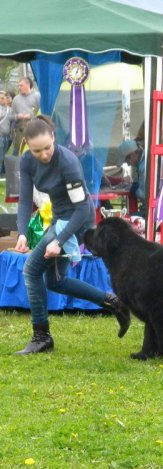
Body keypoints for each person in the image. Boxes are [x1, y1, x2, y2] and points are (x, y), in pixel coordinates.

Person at [14, 116, 130, 355]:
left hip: (78, 221)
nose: (44, 154)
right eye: (37, 150)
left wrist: (58, 241)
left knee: (31, 270)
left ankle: (41, 337)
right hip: (59, 218)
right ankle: (114, 303)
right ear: (27, 144)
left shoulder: (67, 162)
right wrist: (23, 233)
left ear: (54, 138)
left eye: (47, 148)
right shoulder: (26, 162)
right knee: (55, 281)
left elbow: (83, 209)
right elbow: (25, 200)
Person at [11, 76, 40, 154]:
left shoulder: (37, 96)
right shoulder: (16, 99)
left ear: (28, 84)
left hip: (34, 130)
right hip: (20, 131)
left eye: (21, 85)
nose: (19, 87)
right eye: (18, 86)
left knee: (33, 152)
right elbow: (11, 116)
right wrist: (17, 116)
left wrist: (31, 116)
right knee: (16, 152)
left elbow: (41, 113)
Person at [118, 139, 146, 216]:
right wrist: (133, 186)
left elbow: (143, 195)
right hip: (159, 205)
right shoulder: (145, 160)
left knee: (128, 221)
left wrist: (132, 189)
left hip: (158, 209)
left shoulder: (144, 167)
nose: (127, 164)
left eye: (127, 160)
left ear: (133, 154)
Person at [0, 90, 15, 175]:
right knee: (1, 156)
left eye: (2, 98)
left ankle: (2, 173)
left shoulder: (10, 110)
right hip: (1, 135)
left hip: (7, 137)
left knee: (4, 155)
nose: (0, 100)